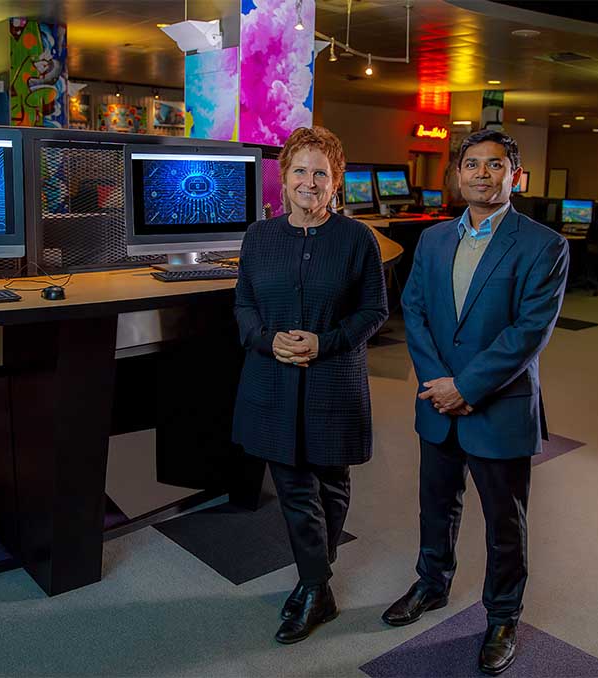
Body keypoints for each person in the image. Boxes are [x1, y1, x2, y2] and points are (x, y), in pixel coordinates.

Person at [382, 129, 569, 675]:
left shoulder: (544, 244)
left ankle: (503, 616)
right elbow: (412, 311)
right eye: (471, 165)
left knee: (504, 520)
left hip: (499, 405)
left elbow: (530, 330)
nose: (482, 175)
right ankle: (432, 583)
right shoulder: (436, 239)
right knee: (435, 505)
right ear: (456, 174)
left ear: (514, 175)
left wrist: (466, 387)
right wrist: (440, 380)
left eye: (494, 165)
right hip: (436, 401)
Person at [232, 126, 388, 644]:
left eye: (321, 173)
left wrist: (327, 342)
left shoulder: (357, 240)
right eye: (301, 170)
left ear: (336, 182)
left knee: (331, 480)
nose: (310, 181)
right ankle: (318, 585)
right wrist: (264, 339)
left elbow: (375, 310)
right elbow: (244, 305)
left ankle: (313, 578)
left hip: (333, 378)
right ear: (284, 177)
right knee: (294, 483)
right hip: (273, 378)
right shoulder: (259, 237)